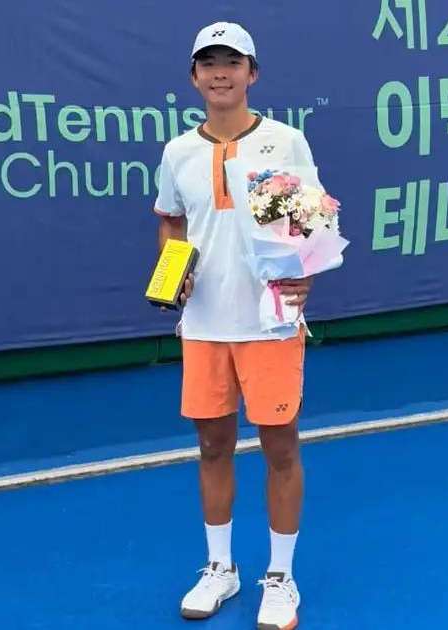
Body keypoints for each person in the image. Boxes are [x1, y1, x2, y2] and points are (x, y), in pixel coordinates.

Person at [153, 20, 320, 630]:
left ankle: (281, 577)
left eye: (232, 62)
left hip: (271, 322)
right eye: (209, 63)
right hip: (203, 325)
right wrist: (172, 272)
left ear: (252, 73)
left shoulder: (284, 142)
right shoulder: (178, 152)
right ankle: (220, 568)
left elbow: (307, 225)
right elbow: (172, 222)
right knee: (212, 446)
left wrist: (306, 275)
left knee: (280, 447)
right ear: (194, 77)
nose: (220, 73)